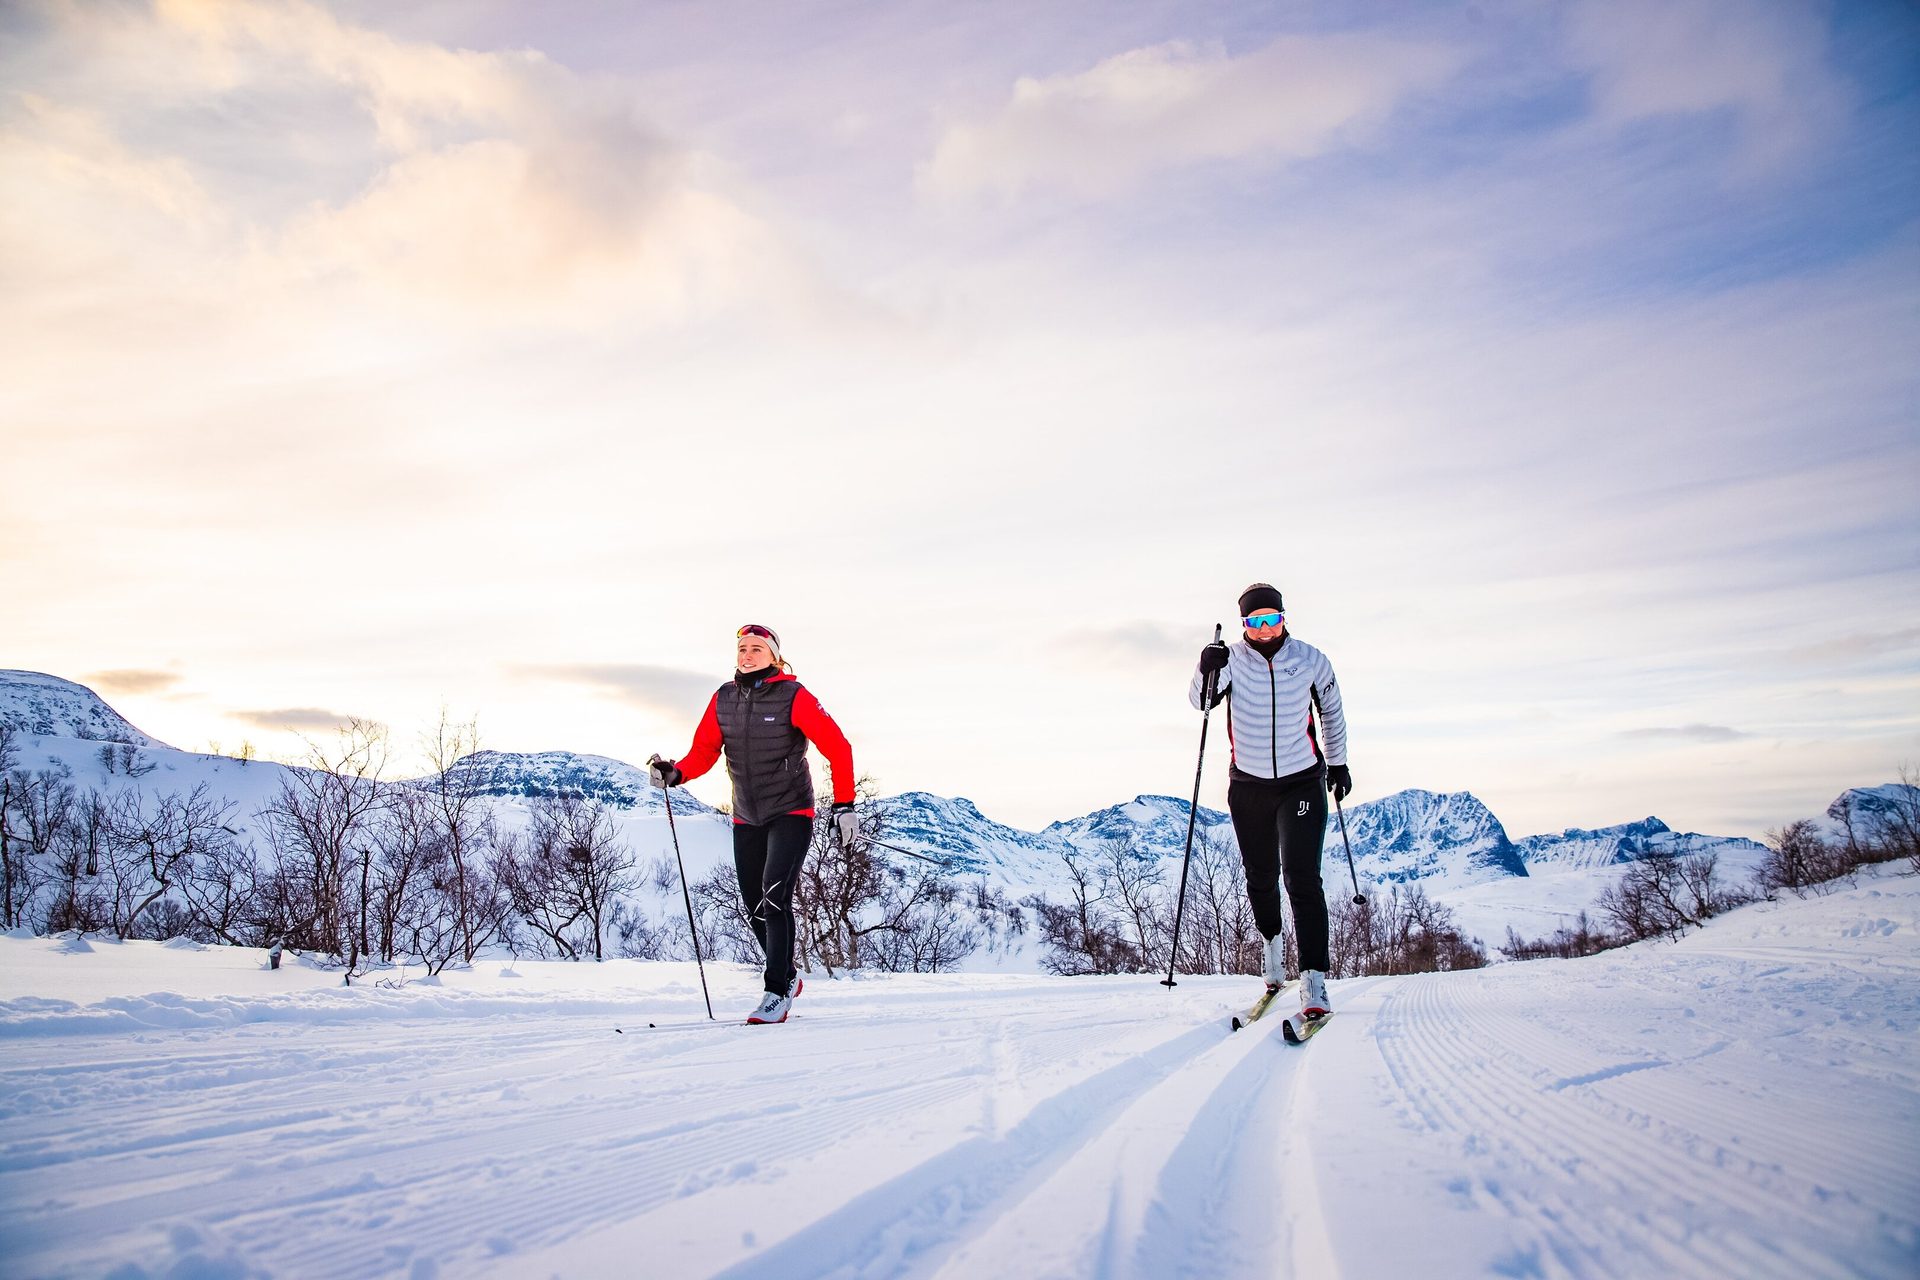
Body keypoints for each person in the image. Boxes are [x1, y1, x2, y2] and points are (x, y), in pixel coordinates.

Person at [649, 624, 857, 1025]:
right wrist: (675, 773)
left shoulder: (794, 696)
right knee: (754, 904)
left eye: (756, 649)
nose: (747, 655)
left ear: (774, 656)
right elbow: (705, 750)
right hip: (747, 815)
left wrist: (845, 804)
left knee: (775, 895)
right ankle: (788, 973)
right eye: (742, 648)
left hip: (791, 811)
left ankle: (776, 991)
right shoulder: (724, 698)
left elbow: (838, 747)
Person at [1190, 583, 1350, 1021]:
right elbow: (1199, 701)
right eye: (1254, 622)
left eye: (1271, 620)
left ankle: (1314, 979)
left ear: (1283, 618)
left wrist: (1338, 764)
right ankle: (1273, 958)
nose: (1263, 630)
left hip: (1301, 781)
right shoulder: (1231, 660)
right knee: (1260, 877)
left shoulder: (1310, 660)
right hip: (1248, 786)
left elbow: (1332, 712)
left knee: (1302, 879)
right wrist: (1206, 666)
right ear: (1244, 625)